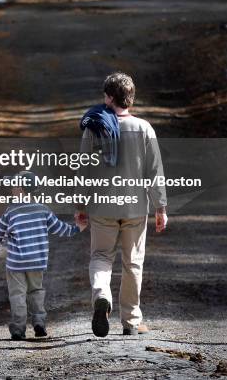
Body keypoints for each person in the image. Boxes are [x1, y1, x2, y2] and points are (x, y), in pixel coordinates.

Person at [77, 72, 168, 337]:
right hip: (134, 207)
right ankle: (130, 321)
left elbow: (84, 168)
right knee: (133, 262)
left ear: (108, 97)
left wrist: (80, 206)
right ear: (130, 98)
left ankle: (102, 296)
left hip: (103, 206)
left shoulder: (95, 128)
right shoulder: (144, 128)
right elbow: (155, 171)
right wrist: (160, 207)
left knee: (101, 256)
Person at [0, 171, 87, 340]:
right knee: (36, 291)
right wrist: (77, 228)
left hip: (16, 263)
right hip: (37, 262)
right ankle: (39, 322)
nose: (11, 189)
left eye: (14, 186)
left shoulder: (10, 212)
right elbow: (60, 228)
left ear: (21, 190)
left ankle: (18, 328)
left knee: (17, 294)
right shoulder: (43, 210)